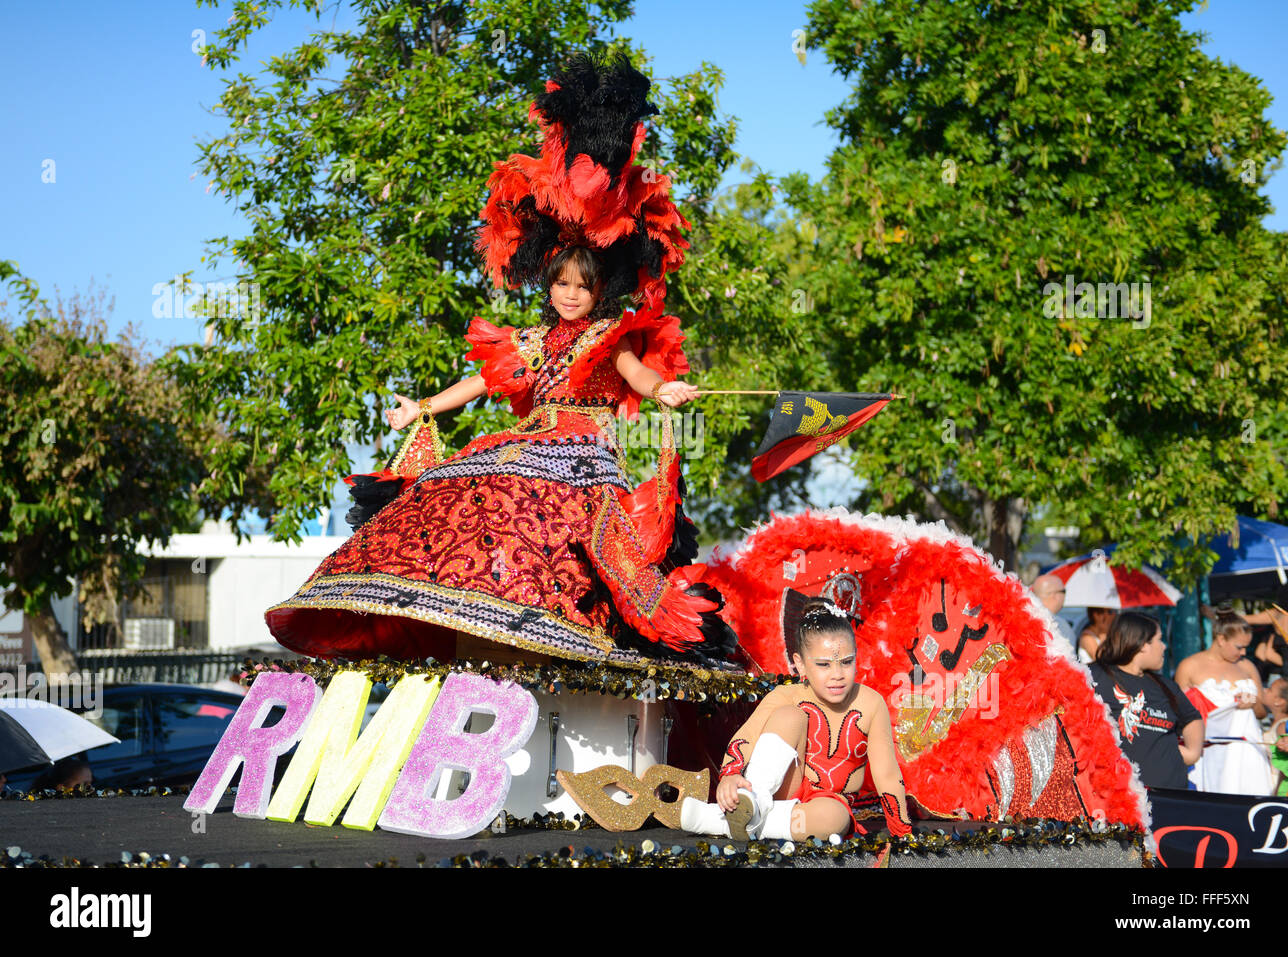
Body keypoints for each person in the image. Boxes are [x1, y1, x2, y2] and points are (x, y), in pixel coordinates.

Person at [266, 54, 734, 668]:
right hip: (526, 440)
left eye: (581, 288)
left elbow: (638, 375)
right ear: (549, 287)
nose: (569, 295)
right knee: (469, 495)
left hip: (583, 452)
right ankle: (474, 635)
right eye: (561, 284)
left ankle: (553, 637)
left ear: (599, 294)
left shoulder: (608, 338)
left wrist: (663, 390)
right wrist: (423, 407)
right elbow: (480, 382)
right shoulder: (530, 340)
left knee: (545, 527)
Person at [679, 597, 913, 842]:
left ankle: (723, 820)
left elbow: (886, 774)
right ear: (800, 665)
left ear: (856, 657)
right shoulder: (787, 695)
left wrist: (902, 831)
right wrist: (730, 774)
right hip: (779, 790)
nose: (837, 675)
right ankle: (754, 801)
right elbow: (747, 736)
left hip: (824, 805)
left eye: (846, 662)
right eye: (823, 664)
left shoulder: (871, 704)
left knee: (836, 820)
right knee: (789, 715)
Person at [1089, 612, 1204, 790]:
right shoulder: (1093, 676)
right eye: (1159, 640)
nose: (1164, 647)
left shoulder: (1164, 686)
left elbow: (1191, 718)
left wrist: (1192, 753)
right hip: (1118, 800)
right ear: (1143, 644)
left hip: (1172, 798)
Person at [1175, 606, 1274, 795]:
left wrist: (1252, 702)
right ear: (1221, 639)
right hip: (1209, 751)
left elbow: (1262, 713)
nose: (1244, 652)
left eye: (1246, 647)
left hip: (1247, 751)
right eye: (1239, 647)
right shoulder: (1190, 666)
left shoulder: (1247, 666)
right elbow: (1179, 712)